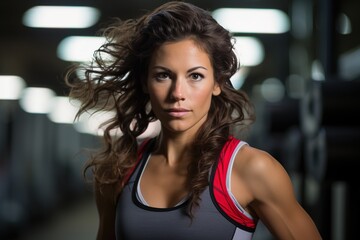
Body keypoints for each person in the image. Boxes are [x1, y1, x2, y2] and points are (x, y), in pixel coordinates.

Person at [65, 1, 322, 239]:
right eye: (163, 75)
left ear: (217, 83)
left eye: (195, 76)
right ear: (145, 82)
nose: (178, 93)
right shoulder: (117, 172)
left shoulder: (251, 169)